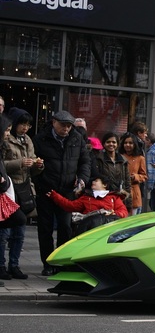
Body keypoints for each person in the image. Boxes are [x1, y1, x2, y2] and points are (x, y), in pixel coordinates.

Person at [33, 110, 91, 276]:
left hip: (67, 192)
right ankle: (48, 263)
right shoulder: (41, 139)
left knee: (65, 227)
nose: (66, 129)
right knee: (45, 228)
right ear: (54, 123)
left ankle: (61, 261)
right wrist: (39, 181)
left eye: (69, 126)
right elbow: (33, 163)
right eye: (63, 125)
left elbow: (85, 162)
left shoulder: (76, 138)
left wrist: (82, 179)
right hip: (46, 190)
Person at [0, 111, 40, 280]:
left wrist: (38, 164)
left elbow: (33, 170)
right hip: (9, 191)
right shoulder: (5, 140)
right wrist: (20, 163)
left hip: (24, 190)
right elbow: (3, 164)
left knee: (20, 231)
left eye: (28, 125)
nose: (25, 128)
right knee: (4, 232)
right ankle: (1, 265)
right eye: (22, 124)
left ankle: (14, 265)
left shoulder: (28, 140)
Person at [47, 174, 128, 236]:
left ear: (105, 185)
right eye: (93, 181)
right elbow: (70, 206)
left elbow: (123, 211)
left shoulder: (114, 197)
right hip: (89, 231)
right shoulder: (86, 197)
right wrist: (55, 196)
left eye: (96, 181)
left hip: (108, 230)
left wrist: (114, 214)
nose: (93, 182)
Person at [94, 132, 131, 209]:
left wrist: (128, 202)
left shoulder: (123, 161)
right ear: (104, 144)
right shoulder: (98, 159)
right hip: (104, 199)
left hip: (120, 199)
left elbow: (127, 182)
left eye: (114, 142)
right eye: (108, 142)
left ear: (117, 144)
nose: (111, 144)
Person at [119, 132, 147, 215]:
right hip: (120, 192)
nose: (127, 145)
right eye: (125, 143)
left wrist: (136, 177)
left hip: (134, 193)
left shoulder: (140, 158)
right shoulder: (119, 156)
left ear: (134, 144)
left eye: (130, 143)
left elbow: (144, 176)